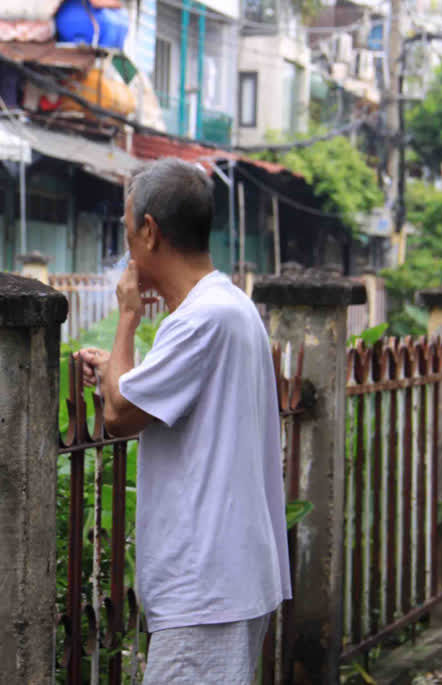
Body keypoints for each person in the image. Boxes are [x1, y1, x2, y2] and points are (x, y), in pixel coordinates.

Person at [76, 159, 291, 683]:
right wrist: (117, 371)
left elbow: (119, 416)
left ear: (149, 231)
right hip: (229, 578)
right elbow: (164, 393)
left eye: (128, 232)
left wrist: (127, 316)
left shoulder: (201, 319)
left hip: (206, 587)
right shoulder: (230, 306)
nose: (127, 248)